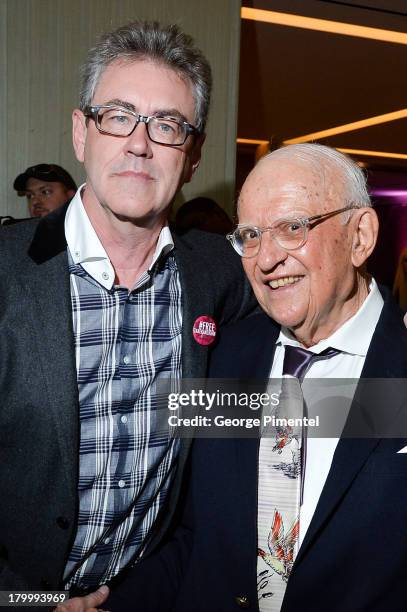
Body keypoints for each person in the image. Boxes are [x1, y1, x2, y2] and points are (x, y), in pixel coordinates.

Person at [87, 143, 407, 612]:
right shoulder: (224, 358)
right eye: (250, 236)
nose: (265, 259)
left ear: (360, 236)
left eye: (293, 228)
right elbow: (196, 535)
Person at [0, 20, 255, 601]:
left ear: (192, 156)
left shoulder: (217, 273)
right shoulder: (6, 273)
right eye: (118, 115)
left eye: (168, 125)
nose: (139, 143)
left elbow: (308, 376)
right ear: (81, 134)